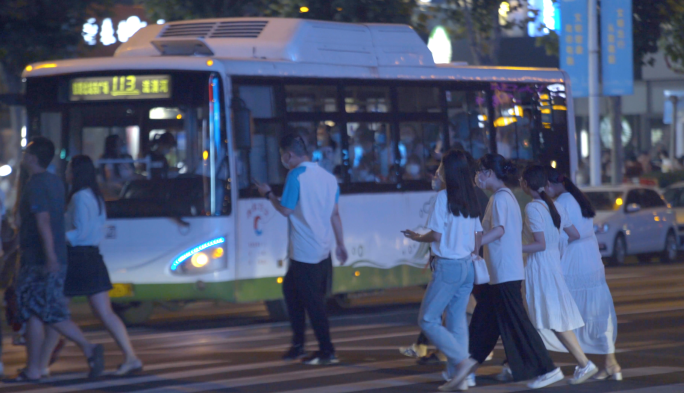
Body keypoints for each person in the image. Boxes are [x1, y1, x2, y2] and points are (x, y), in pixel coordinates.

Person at [11, 137, 104, 382]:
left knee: (43, 312)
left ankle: (87, 347)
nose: (23, 156)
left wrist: (49, 256)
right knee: (41, 312)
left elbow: (42, 222)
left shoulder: (36, 185)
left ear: (32, 158)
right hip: (54, 257)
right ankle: (34, 368)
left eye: (25, 153)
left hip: (39, 259)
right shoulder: (55, 182)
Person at [40, 156, 143, 376]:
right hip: (91, 258)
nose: (66, 173)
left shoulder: (79, 197)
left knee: (56, 312)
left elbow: (81, 233)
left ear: (76, 173)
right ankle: (131, 357)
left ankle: (42, 365)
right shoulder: (94, 196)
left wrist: (57, 236)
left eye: (69, 169)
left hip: (78, 258)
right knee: (103, 313)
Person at [466, 154, 562, 390]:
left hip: (505, 273)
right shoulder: (501, 198)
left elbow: (499, 230)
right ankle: (464, 369)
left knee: (519, 324)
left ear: (489, 173)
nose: (478, 176)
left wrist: (474, 245)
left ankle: (549, 369)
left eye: (480, 171)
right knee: (484, 323)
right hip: (498, 273)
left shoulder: (500, 198)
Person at [255, 133, 348, 365]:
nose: (282, 160)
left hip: (305, 253)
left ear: (289, 155)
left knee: (313, 305)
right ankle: (298, 345)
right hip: (322, 251)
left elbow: (285, 210)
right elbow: (335, 214)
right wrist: (341, 244)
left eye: (281, 156)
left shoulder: (295, 175)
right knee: (292, 294)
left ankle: (327, 350)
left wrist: (268, 195)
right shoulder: (328, 178)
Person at [402, 150, 483, 392]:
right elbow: (478, 232)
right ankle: (463, 378)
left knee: (427, 319)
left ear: (450, 171)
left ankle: (462, 362)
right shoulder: (471, 196)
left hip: (448, 267)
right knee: (457, 321)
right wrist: (474, 253)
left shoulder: (442, 198)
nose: (438, 170)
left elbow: (436, 235)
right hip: (467, 266)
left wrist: (419, 237)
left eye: (441, 166)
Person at [519, 164, 598, 384]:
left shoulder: (533, 208)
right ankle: (582, 363)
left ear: (526, 184)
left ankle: (548, 370)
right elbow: (573, 233)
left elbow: (539, 244)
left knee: (542, 319)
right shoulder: (553, 206)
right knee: (554, 319)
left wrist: (515, 247)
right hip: (553, 265)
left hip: (540, 267)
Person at [543, 166, 622, 380]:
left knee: (565, 311)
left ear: (550, 184)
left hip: (574, 259)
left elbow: (560, 237)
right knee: (598, 311)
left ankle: (583, 362)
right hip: (591, 258)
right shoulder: (578, 198)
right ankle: (610, 363)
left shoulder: (560, 204)